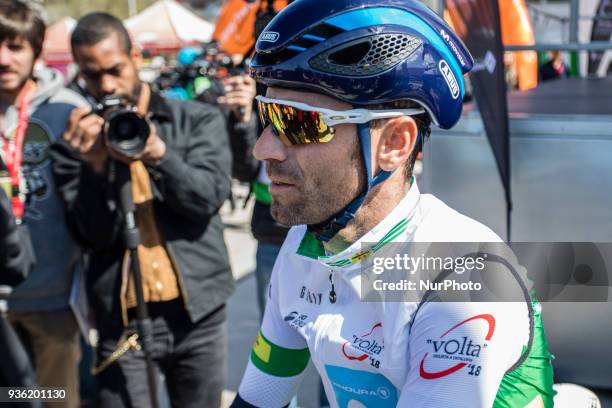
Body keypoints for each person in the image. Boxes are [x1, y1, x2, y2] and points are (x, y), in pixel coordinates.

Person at [231, 1, 555, 407]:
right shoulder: (304, 247)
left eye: (297, 122)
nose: (264, 149)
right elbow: (258, 400)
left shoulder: (462, 278)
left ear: (394, 143)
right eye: (266, 115)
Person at [50, 13, 233, 408]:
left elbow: (207, 199)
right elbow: (90, 236)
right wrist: (94, 169)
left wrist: (158, 153)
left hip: (197, 315)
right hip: (123, 322)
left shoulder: (194, 119)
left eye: (115, 69)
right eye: (92, 75)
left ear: (135, 56)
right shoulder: (78, 141)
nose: (107, 85)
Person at [0, 2, 88, 407]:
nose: (4, 58)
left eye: (15, 46)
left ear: (36, 51)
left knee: (54, 399)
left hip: (52, 298)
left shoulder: (67, 109)